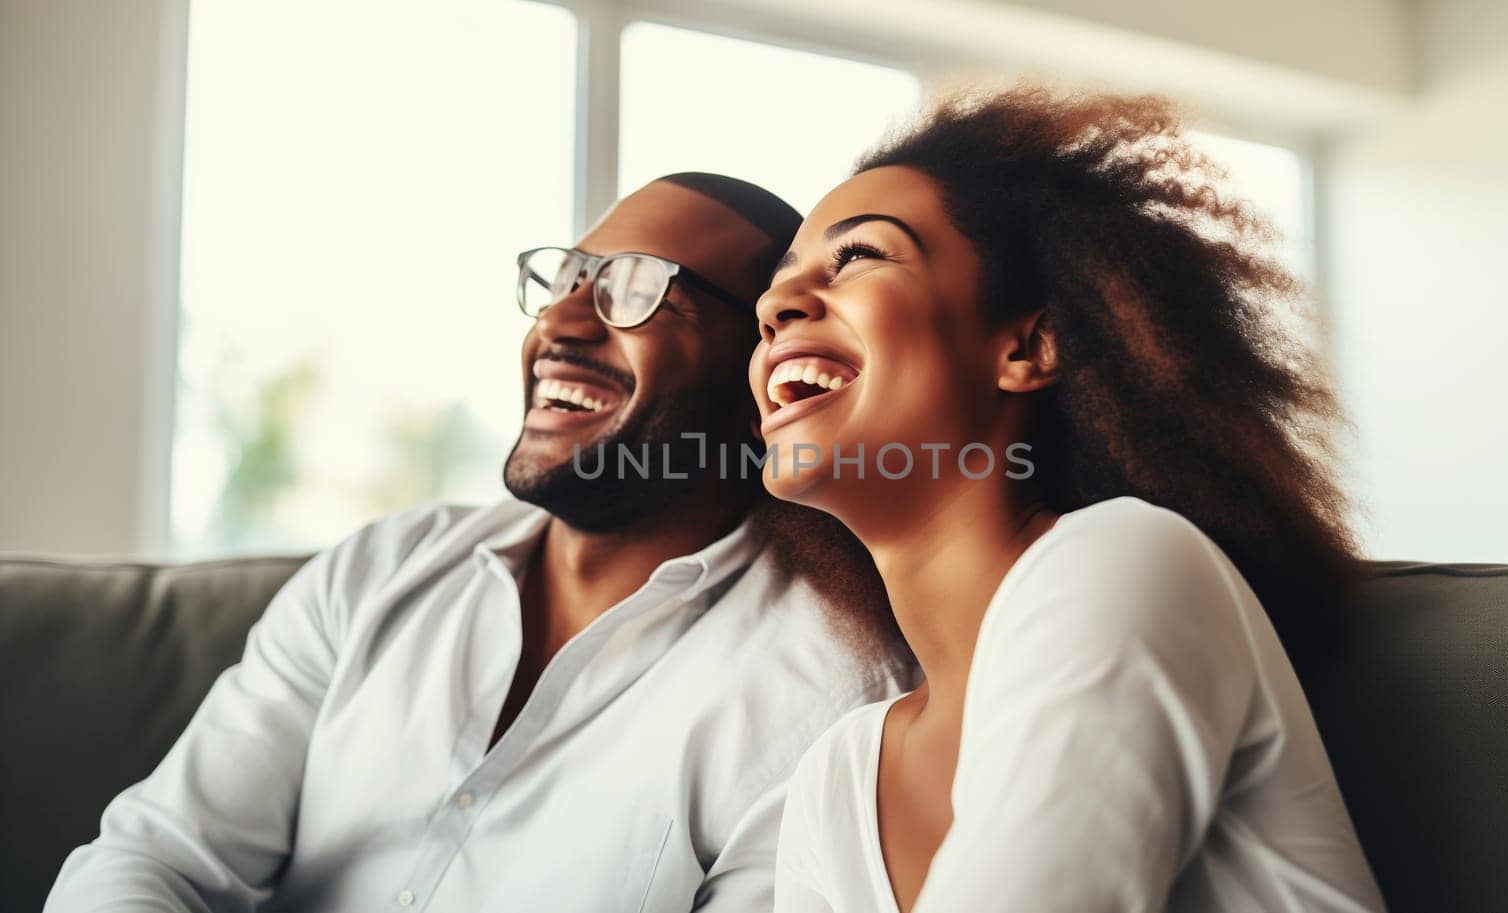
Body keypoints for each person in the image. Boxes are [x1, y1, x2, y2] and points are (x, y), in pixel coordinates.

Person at [45, 173, 913, 913]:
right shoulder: (377, 570)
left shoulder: (833, 695)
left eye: (635, 287)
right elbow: (153, 857)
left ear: (759, 362)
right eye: (569, 278)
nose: (563, 324)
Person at [753, 89, 1388, 912]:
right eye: (778, 285)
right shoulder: (836, 778)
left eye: (860, 256)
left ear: (1027, 345)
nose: (776, 307)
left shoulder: (1126, 561)